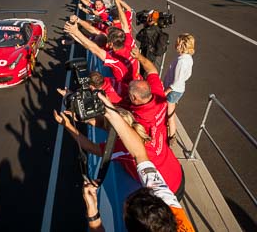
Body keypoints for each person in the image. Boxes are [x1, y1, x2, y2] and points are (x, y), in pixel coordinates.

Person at [82, 93, 195, 232]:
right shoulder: (168, 201)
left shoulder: (169, 204)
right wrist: (93, 214)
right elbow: (140, 153)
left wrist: (111, 113)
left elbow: (138, 153)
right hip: (176, 176)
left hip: (176, 179)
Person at [128, 46, 184, 197]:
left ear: (134, 98)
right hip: (176, 171)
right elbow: (152, 70)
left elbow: (100, 149)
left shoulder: (138, 122)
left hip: (163, 191)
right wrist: (139, 56)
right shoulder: (158, 94)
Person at [163, 33, 195, 145]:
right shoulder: (188, 58)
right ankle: (170, 133)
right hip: (179, 90)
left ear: (181, 45)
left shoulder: (182, 61)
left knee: (170, 114)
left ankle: (171, 136)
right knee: (170, 111)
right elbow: (187, 76)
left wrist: (167, 90)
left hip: (173, 91)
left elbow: (177, 81)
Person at [135, 10, 165, 77]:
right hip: (151, 54)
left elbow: (138, 37)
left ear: (151, 19)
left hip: (147, 55)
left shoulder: (149, 31)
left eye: (147, 17)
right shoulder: (156, 28)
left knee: (144, 72)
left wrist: (145, 26)